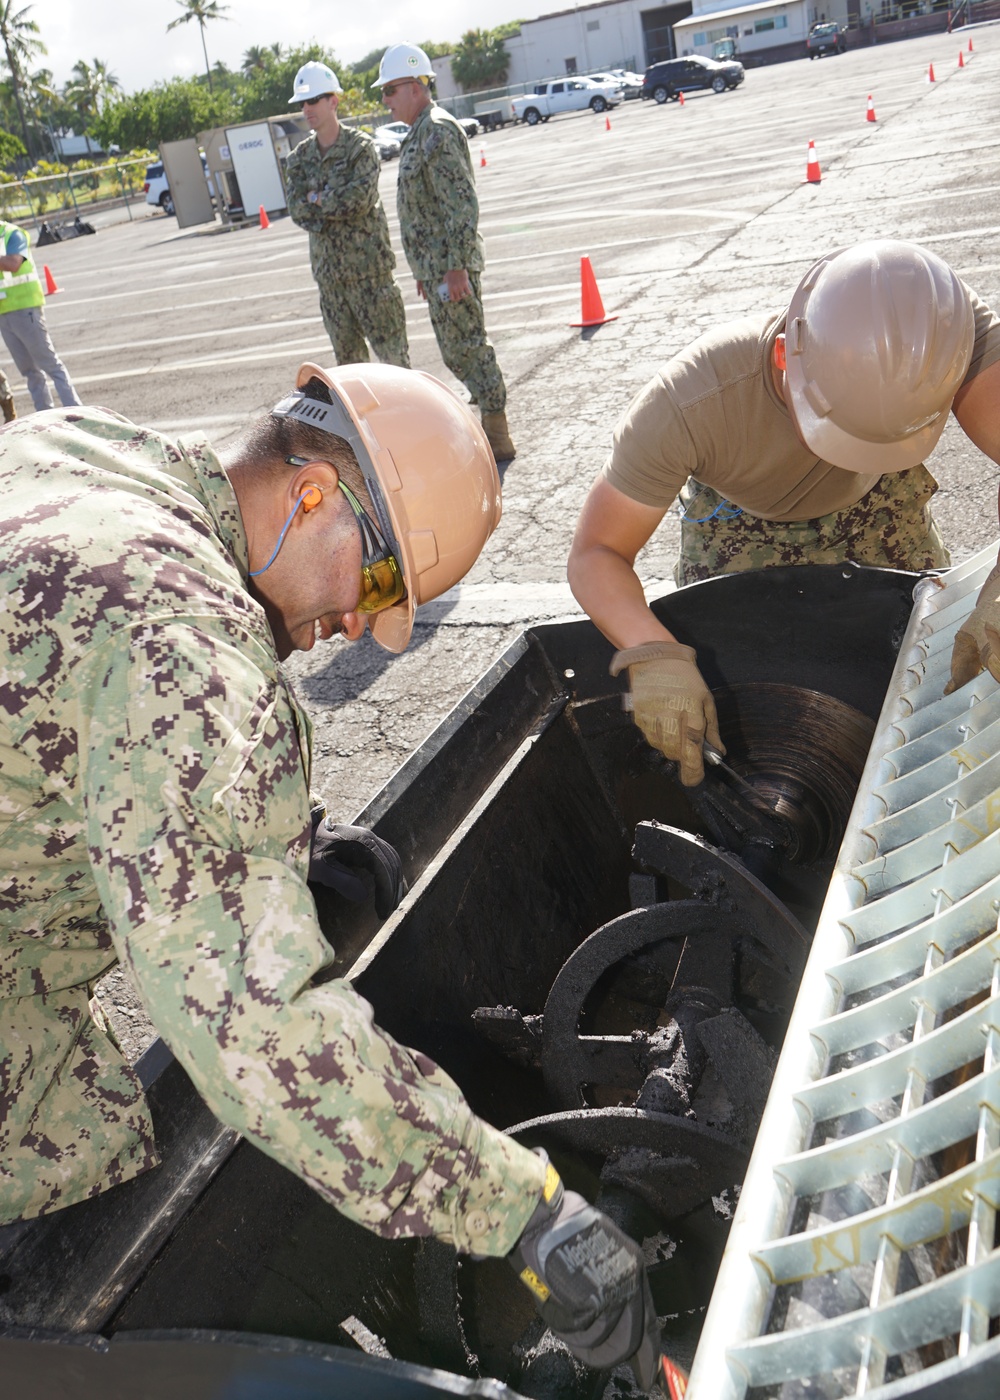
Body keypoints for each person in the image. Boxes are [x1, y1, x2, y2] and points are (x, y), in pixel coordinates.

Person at [0, 363, 660, 1387]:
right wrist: (525, 1209)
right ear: (312, 492)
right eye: (380, 581)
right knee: (55, 1161)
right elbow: (257, 1036)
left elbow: (70, 721)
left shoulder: (84, 450)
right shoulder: (183, 648)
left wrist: (270, 846)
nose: (361, 622)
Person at [567, 239, 1000, 787]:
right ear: (782, 359)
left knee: (926, 664)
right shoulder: (692, 404)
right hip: (742, 517)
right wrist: (649, 651)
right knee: (751, 706)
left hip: (881, 502)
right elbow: (596, 551)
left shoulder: (937, 334)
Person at [373, 43, 516, 463]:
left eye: (391, 89)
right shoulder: (420, 132)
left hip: (452, 269)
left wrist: (455, 267)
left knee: (469, 346)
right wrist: (425, 268)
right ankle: (490, 421)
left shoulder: (436, 129)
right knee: (457, 351)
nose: (385, 99)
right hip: (437, 269)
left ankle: (497, 430)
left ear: (416, 86)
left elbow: (460, 204)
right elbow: (426, 210)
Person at [285, 60, 409, 369]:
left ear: (333, 101)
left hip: (371, 276)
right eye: (303, 102)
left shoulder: (360, 148)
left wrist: (316, 198)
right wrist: (329, 202)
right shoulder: (299, 159)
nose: (307, 108)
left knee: (395, 365)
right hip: (331, 283)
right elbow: (298, 212)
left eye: (314, 100)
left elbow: (360, 200)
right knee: (350, 371)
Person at [0, 216, 80, 413]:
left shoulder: (12, 233)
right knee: (30, 372)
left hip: (25, 310)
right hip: (4, 314)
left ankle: (77, 413)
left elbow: (14, 263)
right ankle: (45, 416)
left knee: (51, 366)